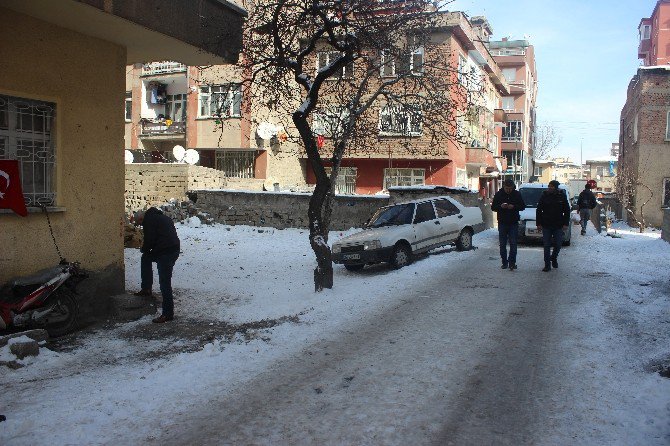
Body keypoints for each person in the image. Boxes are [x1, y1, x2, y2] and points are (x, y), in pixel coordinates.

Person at [133, 207, 180, 323]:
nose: (140, 226)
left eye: (139, 223)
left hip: (166, 252)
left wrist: (144, 249)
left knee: (164, 283)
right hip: (171, 249)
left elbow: (150, 239)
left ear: (140, 218)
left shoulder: (149, 220)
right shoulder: (159, 216)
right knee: (146, 259)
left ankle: (168, 314)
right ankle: (146, 288)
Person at [536, 180, 571, 272]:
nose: (550, 188)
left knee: (558, 244)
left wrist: (565, 223)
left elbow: (567, 211)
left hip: (558, 225)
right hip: (546, 224)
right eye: (549, 186)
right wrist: (538, 223)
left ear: (556, 187)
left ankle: (554, 257)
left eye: (552, 186)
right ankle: (547, 265)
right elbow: (539, 210)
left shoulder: (561, 196)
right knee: (546, 245)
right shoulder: (544, 196)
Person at [491, 179, 526, 271]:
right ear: (504, 187)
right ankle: (504, 262)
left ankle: (512, 263)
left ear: (513, 187)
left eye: (510, 188)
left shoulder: (517, 194)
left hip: (513, 222)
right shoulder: (499, 194)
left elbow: (522, 206)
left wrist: (513, 207)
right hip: (502, 222)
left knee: (513, 243)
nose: (508, 190)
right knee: (502, 244)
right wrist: (500, 206)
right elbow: (493, 207)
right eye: (506, 188)